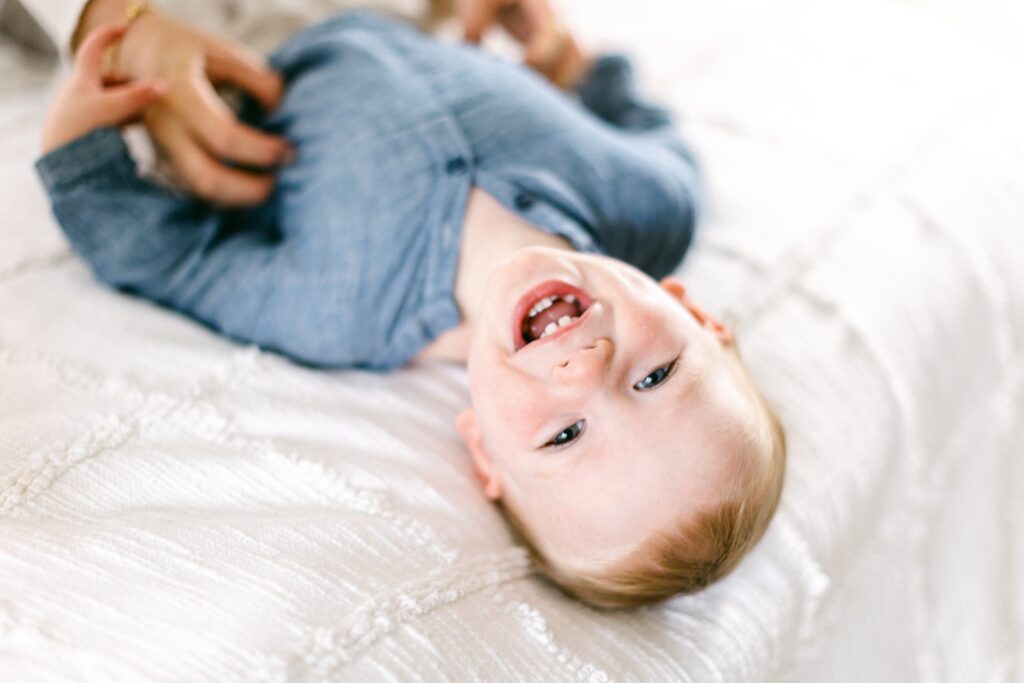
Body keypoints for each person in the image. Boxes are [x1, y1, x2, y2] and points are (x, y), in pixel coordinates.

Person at [32, 0, 786, 608]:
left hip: (222, 52)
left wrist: (79, 155)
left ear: (484, 449)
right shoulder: (653, 204)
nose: (585, 367)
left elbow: (176, 259)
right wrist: (562, 52)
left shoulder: (342, 311)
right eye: (655, 377)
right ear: (698, 316)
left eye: (565, 434)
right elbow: (651, 131)